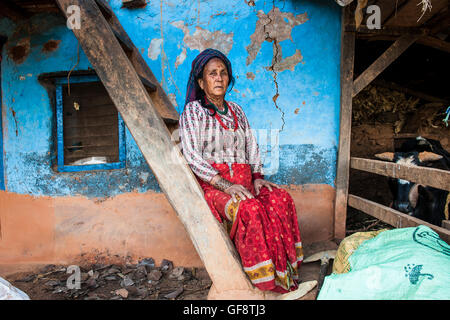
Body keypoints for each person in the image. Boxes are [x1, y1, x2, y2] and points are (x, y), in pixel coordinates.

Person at [179, 48, 303, 293]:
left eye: (223, 73)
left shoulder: (236, 110)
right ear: (201, 82)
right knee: (250, 209)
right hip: (216, 188)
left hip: (245, 185)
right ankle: (261, 281)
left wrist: (257, 178)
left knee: (280, 199)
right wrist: (226, 185)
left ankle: (284, 273)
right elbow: (191, 155)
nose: (219, 78)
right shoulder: (194, 112)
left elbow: (251, 146)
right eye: (212, 74)